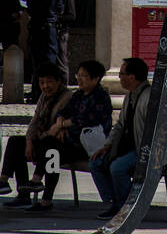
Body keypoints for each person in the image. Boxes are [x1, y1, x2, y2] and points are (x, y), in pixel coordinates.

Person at [0, 63, 70, 205]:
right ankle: (6, 183)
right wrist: (29, 141)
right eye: (42, 83)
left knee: (50, 150)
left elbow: (56, 128)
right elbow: (34, 122)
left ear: (59, 81)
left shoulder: (67, 98)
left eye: (49, 82)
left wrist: (41, 137)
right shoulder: (44, 98)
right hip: (42, 139)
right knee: (15, 142)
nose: (45, 86)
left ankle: (44, 196)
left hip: (57, 145)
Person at [30, 59, 112, 213]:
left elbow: (85, 119)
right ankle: (45, 197)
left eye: (84, 76)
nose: (79, 79)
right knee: (52, 153)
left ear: (95, 79)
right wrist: (61, 123)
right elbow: (64, 112)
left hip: (88, 147)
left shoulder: (101, 96)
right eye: (78, 75)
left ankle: (38, 182)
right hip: (69, 143)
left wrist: (61, 125)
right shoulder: (78, 95)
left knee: (50, 149)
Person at [89, 57, 151, 218]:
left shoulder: (148, 97)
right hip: (125, 146)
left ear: (132, 77)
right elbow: (120, 125)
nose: (119, 77)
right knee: (96, 162)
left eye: (122, 74)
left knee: (118, 167)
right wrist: (108, 145)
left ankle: (126, 206)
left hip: (141, 149)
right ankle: (113, 201)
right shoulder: (130, 96)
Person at [26, 0, 64, 101]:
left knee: (37, 62)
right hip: (51, 29)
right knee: (51, 61)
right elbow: (60, 8)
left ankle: (38, 93)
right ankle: (53, 92)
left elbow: (30, 9)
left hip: (37, 28)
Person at [52, 0, 76, 83]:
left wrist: (57, 18)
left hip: (62, 32)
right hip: (54, 31)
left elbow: (71, 16)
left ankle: (64, 84)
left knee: (62, 60)